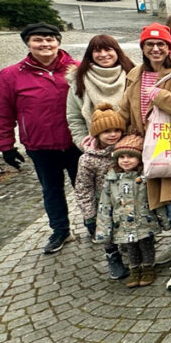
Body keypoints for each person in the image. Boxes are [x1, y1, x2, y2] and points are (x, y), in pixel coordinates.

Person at [118, 23, 171, 291]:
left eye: (160, 44)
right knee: (152, 211)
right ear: (142, 48)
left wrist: (161, 96)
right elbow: (125, 112)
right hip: (142, 151)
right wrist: (102, 130)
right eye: (149, 45)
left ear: (168, 47)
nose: (155, 49)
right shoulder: (133, 74)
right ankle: (166, 251)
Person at [0, 23, 80, 254]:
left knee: (85, 188)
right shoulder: (11, 75)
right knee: (51, 190)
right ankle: (60, 230)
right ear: (28, 43)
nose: (45, 44)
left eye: (50, 39)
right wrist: (6, 146)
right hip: (40, 145)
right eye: (38, 39)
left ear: (58, 42)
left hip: (75, 142)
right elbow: (2, 113)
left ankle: (93, 225)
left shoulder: (76, 69)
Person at [95, 134, 162, 288]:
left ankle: (148, 267)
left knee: (146, 245)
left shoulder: (145, 178)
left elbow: (155, 199)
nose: (125, 160)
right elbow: (105, 204)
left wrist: (163, 220)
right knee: (130, 247)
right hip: (123, 222)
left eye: (131, 156)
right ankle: (134, 269)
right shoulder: (111, 180)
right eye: (122, 157)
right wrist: (104, 228)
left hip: (144, 219)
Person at [73, 104, 125, 242]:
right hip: (103, 207)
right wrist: (90, 215)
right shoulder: (88, 160)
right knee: (109, 239)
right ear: (97, 133)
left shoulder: (126, 152)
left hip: (127, 204)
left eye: (117, 130)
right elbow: (83, 188)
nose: (113, 134)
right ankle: (112, 256)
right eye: (107, 131)